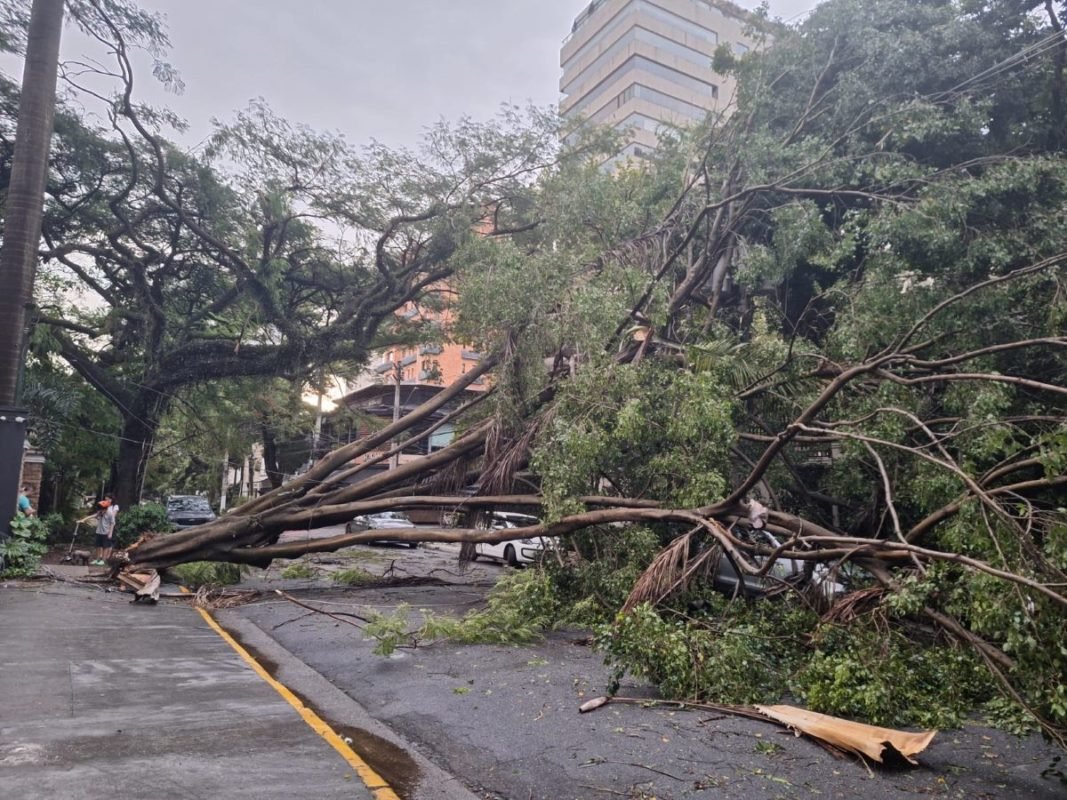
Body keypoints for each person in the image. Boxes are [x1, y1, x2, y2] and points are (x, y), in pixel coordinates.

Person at [79, 497, 118, 566]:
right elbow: (93, 516)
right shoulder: (100, 513)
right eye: (100, 509)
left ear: (105, 509)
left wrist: (110, 533)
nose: (100, 511)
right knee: (98, 546)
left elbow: (112, 523)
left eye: (102, 509)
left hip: (106, 532)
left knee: (105, 547)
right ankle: (97, 559)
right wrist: (84, 519)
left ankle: (103, 560)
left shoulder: (110, 513)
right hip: (99, 531)